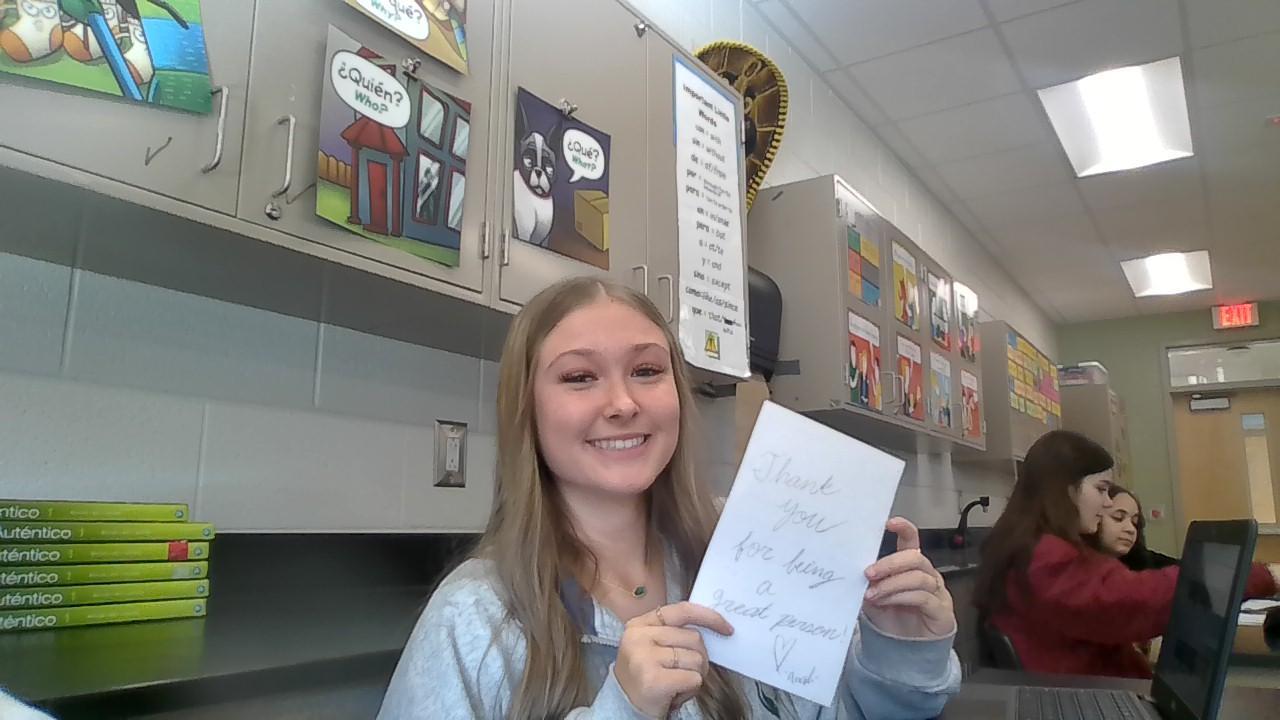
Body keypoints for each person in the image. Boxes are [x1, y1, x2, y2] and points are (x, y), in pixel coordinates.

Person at [378, 277, 960, 719]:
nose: (623, 403)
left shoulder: (747, 554)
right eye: (579, 377)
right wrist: (623, 710)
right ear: (526, 409)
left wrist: (900, 650)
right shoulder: (475, 617)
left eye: (647, 371)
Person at [974, 430, 1280, 679]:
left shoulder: (1029, 547)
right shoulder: (1045, 557)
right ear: (1066, 489)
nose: (1108, 502)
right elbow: (1135, 600)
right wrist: (1259, 575)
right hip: (1089, 697)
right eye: (1101, 489)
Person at [1093, 485, 1178, 572]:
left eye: (1134, 522)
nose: (1131, 529)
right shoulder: (1086, 570)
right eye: (1118, 517)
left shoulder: (1150, 564)